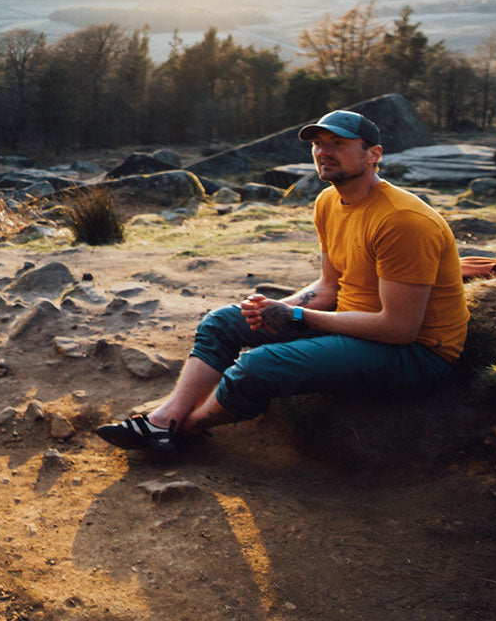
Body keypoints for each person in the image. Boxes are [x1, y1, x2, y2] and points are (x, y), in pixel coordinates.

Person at [96, 109, 468, 455]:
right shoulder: (327, 202)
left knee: (259, 366)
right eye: (318, 144)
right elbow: (328, 288)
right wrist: (276, 310)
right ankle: (165, 419)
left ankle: (185, 429)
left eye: (338, 144)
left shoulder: (401, 220)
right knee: (222, 321)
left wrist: (296, 318)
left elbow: (399, 328)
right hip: (355, 324)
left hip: (417, 354)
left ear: (374, 154)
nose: (324, 152)